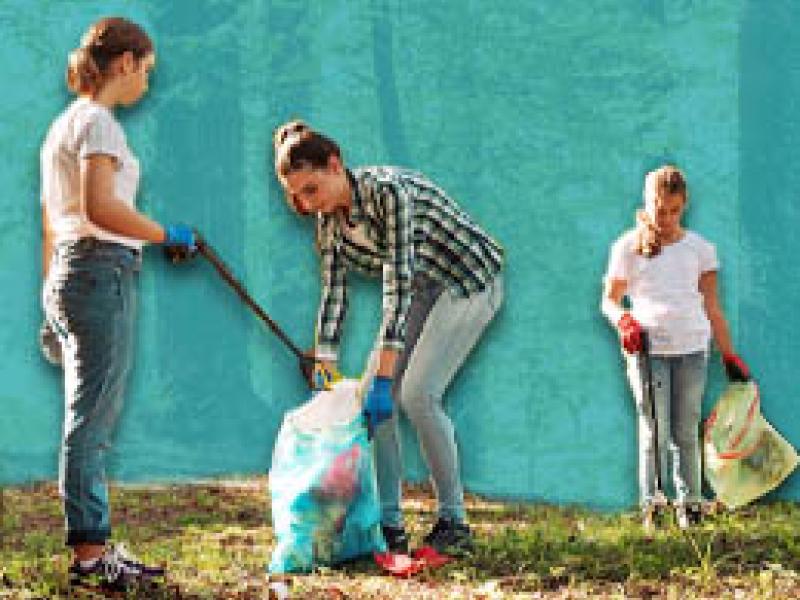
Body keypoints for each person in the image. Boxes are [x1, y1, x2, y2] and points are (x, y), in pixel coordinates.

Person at [272, 121, 504, 555]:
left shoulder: (388, 193)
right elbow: (334, 294)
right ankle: (389, 525)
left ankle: (455, 522)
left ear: (336, 165)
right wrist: (323, 360)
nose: (306, 204)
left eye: (311, 188)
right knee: (371, 403)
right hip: (421, 288)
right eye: (298, 196)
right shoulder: (329, 224)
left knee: (416, 394)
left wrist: (384, 378)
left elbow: (395, 286)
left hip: (467, 282)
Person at [40, 17, 196, 591]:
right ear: (125, 62)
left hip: (71, 273)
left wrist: (48, 297)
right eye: (146, 71)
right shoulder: (99, 124)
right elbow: (101, 209)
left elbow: (52, 222)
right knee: (91, 419)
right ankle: (89, 553)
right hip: (100, 272)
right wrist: (164, 234)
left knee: (86, 415)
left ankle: (92, 544)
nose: (147, 84)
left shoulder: (62, 126)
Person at [601, 165, 750, 530]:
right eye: (658, 208)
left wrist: (728, 354)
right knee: (654, 429)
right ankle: (652, 504)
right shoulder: (627, 247)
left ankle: (691, 505)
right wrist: (623, 320)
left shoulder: (700, 249)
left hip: (692, 349)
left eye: (673, 210)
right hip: (648, 349)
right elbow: (608, 300)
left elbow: (713, 307)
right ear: (646, 202)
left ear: (683, 206)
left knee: (685, 429)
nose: (665, 218)